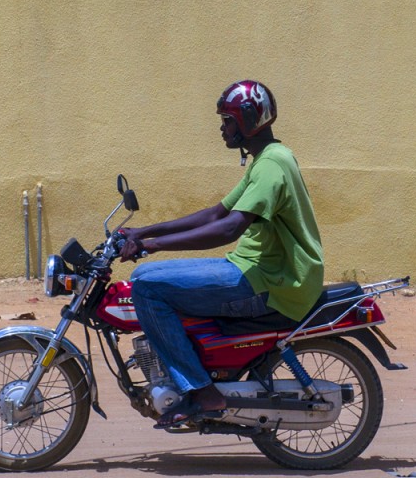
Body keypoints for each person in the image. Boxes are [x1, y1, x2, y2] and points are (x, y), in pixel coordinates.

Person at [119, 79, 323, 429]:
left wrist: (151, 246)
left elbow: (228, 229)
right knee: (141, 276)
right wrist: (144, 231)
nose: (222, 128)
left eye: (228, 120)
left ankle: (201, 390)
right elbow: (215, 213)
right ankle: (197, 366)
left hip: (274, 283)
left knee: (148, 289)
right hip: (254, 269)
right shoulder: (266, 159)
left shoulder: (272, 165)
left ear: (248, 118)